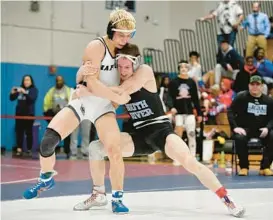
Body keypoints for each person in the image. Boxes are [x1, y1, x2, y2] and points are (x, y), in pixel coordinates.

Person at [73, 43, 245, 218]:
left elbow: (122, 91)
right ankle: (98, 194)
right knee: (96, 148)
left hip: (160, 132)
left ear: (135, 64)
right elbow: (111, 99)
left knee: (189, 162)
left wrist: (90, 90)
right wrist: (84, 78)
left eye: (127, 67)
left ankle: (227, 200)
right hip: (139, 135)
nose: (123, 71)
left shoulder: (144, 72)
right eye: (120, 67)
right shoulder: (116, 82)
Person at [22, 9, 136, 214]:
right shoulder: (96, 46)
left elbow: (126, 81)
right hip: (83, 101)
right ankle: (46, 178)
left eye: (129, 35)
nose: (125, 39)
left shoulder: (128, 51)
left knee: (114, 150)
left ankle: (117, 198)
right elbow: (91, 83)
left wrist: (115, 96)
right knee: (48, 141)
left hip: (103, 108)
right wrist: (114, 95)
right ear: (110, 30)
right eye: (121, 34)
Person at [228, 75, 273, 176]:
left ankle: (265, 167)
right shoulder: (241, 97)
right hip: (245, 129)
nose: (255, 87)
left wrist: (268, 128)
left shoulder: (269, 101)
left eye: (257, 84)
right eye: (252, 84)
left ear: (262, 87)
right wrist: (235, 127)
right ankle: (244, 167)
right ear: (249, 86)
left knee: (272, 136)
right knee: (239, 138)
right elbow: (230, 111)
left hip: (262, 130)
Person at [168, 60, 202, 157]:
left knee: (191, 134)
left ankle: (192, 156)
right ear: (179, 69)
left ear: (188, 69)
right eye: (181, 67)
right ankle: (177, 157)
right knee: (178, 136)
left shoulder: (191, 82)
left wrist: (199, 114)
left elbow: (195, 99)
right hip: (178, 113)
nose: (183, 69)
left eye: (185, 67)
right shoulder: (173, 82)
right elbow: (169, 97)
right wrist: (172, 107)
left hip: (189, 113)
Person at [10, 75, 38, 156]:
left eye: (28, 80)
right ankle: (19, 149)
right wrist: (12, 93)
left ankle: (29, 149)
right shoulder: (20, 89)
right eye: (25, 80)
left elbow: (31, 100)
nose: (26, 81)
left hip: (29, 114)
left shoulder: (34, 90)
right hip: (19, 114)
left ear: (31, 81)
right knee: (19, 132)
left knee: (29, 132)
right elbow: (12, 98)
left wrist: (25, 93)